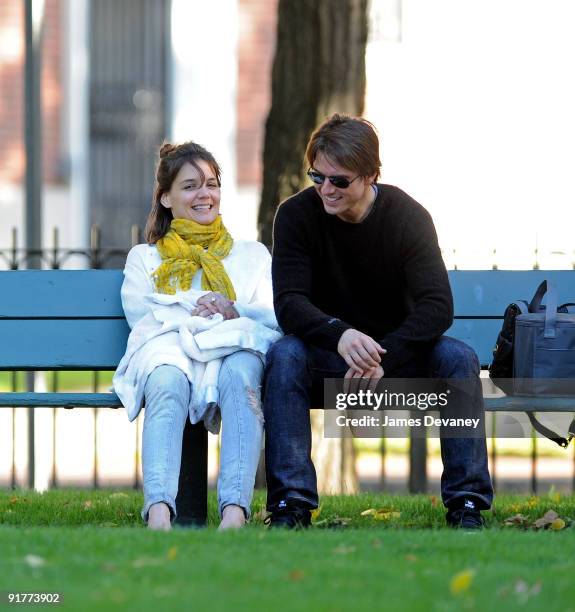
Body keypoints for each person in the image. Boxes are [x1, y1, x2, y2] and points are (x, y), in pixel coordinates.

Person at [264, 113, 493, 529]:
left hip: (397, 357)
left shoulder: (407, 216)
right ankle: (290, 506)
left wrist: (383, 355)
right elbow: (289, 303)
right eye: (317, 177)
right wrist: (340, 334)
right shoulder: (295, 215)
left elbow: (437, 305)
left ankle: (468, 504)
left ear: (371, 175)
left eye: (340, 180)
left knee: (459, 358)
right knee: (284, 356)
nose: (326, 190)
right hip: (330, 358)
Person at [113, 141, 280, 531]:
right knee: (166, 381)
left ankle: (235, 512)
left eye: (211, 184)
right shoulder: (146, 257)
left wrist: (232, 309)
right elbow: (144, 317)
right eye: (190, 186)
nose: (204, 194)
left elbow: (271, 319)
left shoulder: (251, 256)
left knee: (241, 377)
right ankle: (158, 512)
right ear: (166, 198)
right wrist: (203, 308)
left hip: (234, 353)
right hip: (170, 354)